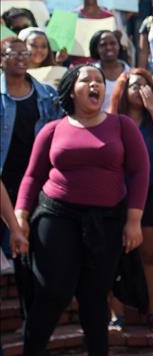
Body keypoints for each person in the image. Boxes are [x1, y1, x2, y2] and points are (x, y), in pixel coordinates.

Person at [15, 65, 149, 355]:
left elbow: (140, 172)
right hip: (57, 216)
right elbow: (32, 176)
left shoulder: (122, 125)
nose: (95, 85)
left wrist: (134, 220)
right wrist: (20, 216)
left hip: (108, 221)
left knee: (94, 296)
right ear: (70, 90)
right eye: (86, 80)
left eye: (99, 81)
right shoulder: (53, 129)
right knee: (52, 292)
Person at [106, 69, 153, 331]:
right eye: (134, 86)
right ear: (123, 90)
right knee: (115, 256)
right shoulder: (113, 120)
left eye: (145, 85)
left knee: (149, 254)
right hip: (117, 196)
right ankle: (117, 315)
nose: (140, 90)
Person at [1, 37, 63, 322]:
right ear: (1, 59)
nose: (21, 58)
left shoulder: (46, 95)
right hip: (4, 185)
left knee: (32, 253)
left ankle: (33, 320)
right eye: (14, 54)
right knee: (13, 248)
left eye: (25, 54)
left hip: (36, 186)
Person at [88, 29, 131, 101]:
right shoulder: (90, 73)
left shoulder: (130, 73)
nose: (109, 47)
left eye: (113, 43)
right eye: (103, 45)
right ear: (96, 49)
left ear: (119, 46)